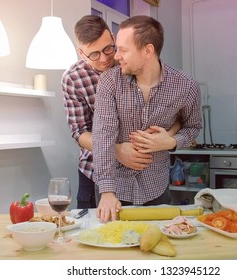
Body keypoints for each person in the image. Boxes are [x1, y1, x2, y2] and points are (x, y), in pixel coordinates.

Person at [61, 15, 179, 209]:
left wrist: (169, 137)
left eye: (108, 48)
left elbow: (176, 112)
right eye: (94, 54)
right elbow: (78, 132)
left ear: (113, 38)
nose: (106, 58)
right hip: (95, 172)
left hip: (148, 172)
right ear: (81, 53)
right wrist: (115, 150)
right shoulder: (73, 79)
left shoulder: (135, 61)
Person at [92, 15, 202, 222]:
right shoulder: (109, 81)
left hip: (157, 188)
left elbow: (193, 126)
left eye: (123, 50)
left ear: (147, 50)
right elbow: (102, 135)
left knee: (154, 246)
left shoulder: (186, 86)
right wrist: (106, 191)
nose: (116, 56)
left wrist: (171, 141)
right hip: (115, 190)